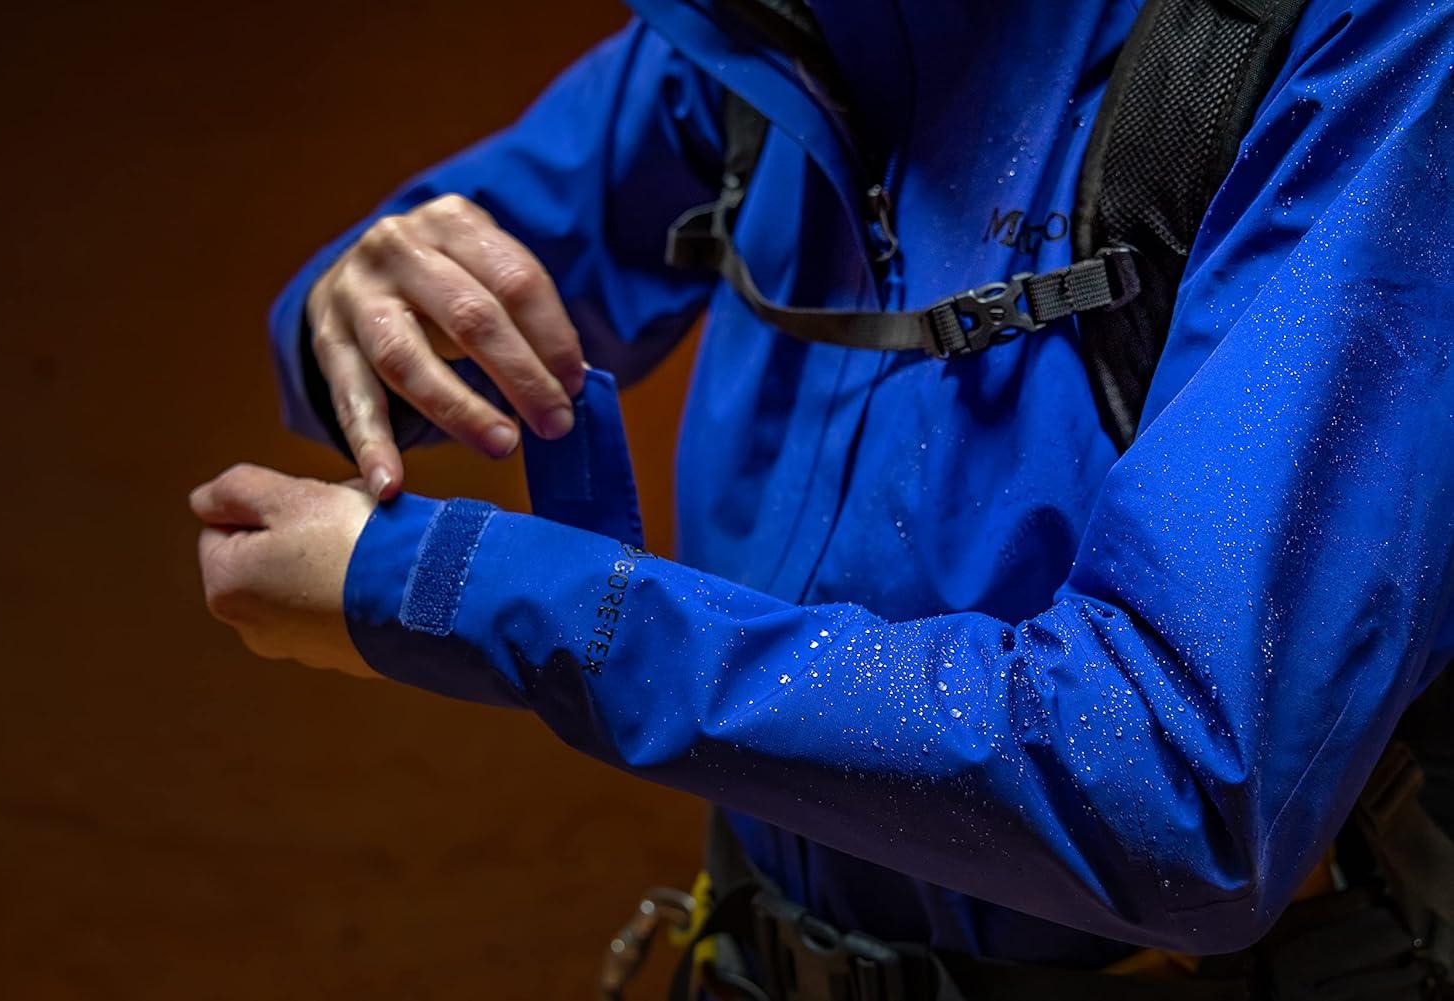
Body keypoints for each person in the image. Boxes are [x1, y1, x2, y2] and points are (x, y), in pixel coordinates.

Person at [190, 0, 1454, 996]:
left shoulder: (1358, 46)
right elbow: (413, 300)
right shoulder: (774, 29)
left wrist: (463, 594)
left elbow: (1173, 788)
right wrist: (359, 306)